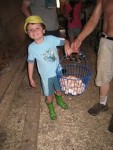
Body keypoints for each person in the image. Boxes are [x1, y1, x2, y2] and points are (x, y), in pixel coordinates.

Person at [71, 0, 113, 132]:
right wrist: (79, 39)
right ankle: (102, 103)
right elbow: (94, 19)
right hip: (106, 40)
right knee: (103, 74)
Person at [24, 15, 73, 120]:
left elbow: (65, 41)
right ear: (28, 34)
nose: (34, 31)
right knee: (48, 95)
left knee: (59, 89)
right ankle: (51, 108)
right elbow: (31, 62)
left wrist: (67, 46)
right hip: (46, 77)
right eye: (30, 30)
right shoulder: (31, 48)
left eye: (37, 28)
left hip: (58, 72)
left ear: (43, 30)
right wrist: (30, 77)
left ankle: (59, 101)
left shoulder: (51, 39)